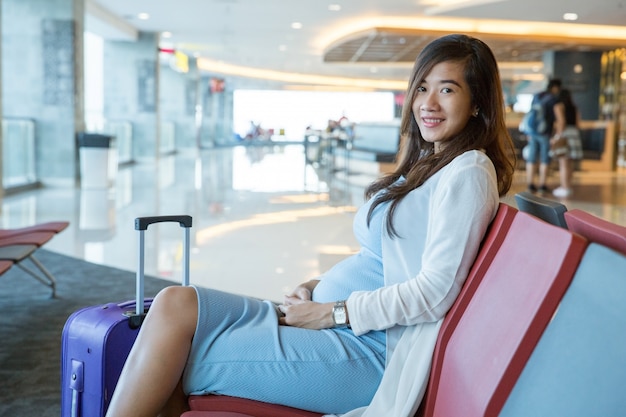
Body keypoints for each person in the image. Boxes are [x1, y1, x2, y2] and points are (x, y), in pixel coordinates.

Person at [105, 33, 515, 417]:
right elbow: (382, 258)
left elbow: (436, 292)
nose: (428, 102)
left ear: (477, 102)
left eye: (447, 89)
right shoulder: (430, 163)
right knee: (177, 303)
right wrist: (317, 287)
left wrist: (332, 312)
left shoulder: (468, 170)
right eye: (422, 87)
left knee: (178, 353)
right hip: (337, 324)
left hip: (371, 348)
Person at [524, 78, 561, 193]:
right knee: (545, 158)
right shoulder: (553, 99)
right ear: (555, 87)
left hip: (532, 132)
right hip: (545, 133)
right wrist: (557, 135)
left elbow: (530, 113)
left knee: (531, 158)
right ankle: (542, 184)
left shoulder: (537, 96)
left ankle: (530, 183)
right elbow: (559, 118)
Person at [551, 88, 583, 198]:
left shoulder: (558, 106)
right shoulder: (574, 108)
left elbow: (561, 122)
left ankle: (564, 188)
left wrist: (557, 136)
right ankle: (568, 187)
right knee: (570, 164)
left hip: (565, 135)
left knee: (563, 163)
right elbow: (578, 124)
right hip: (574, 134)